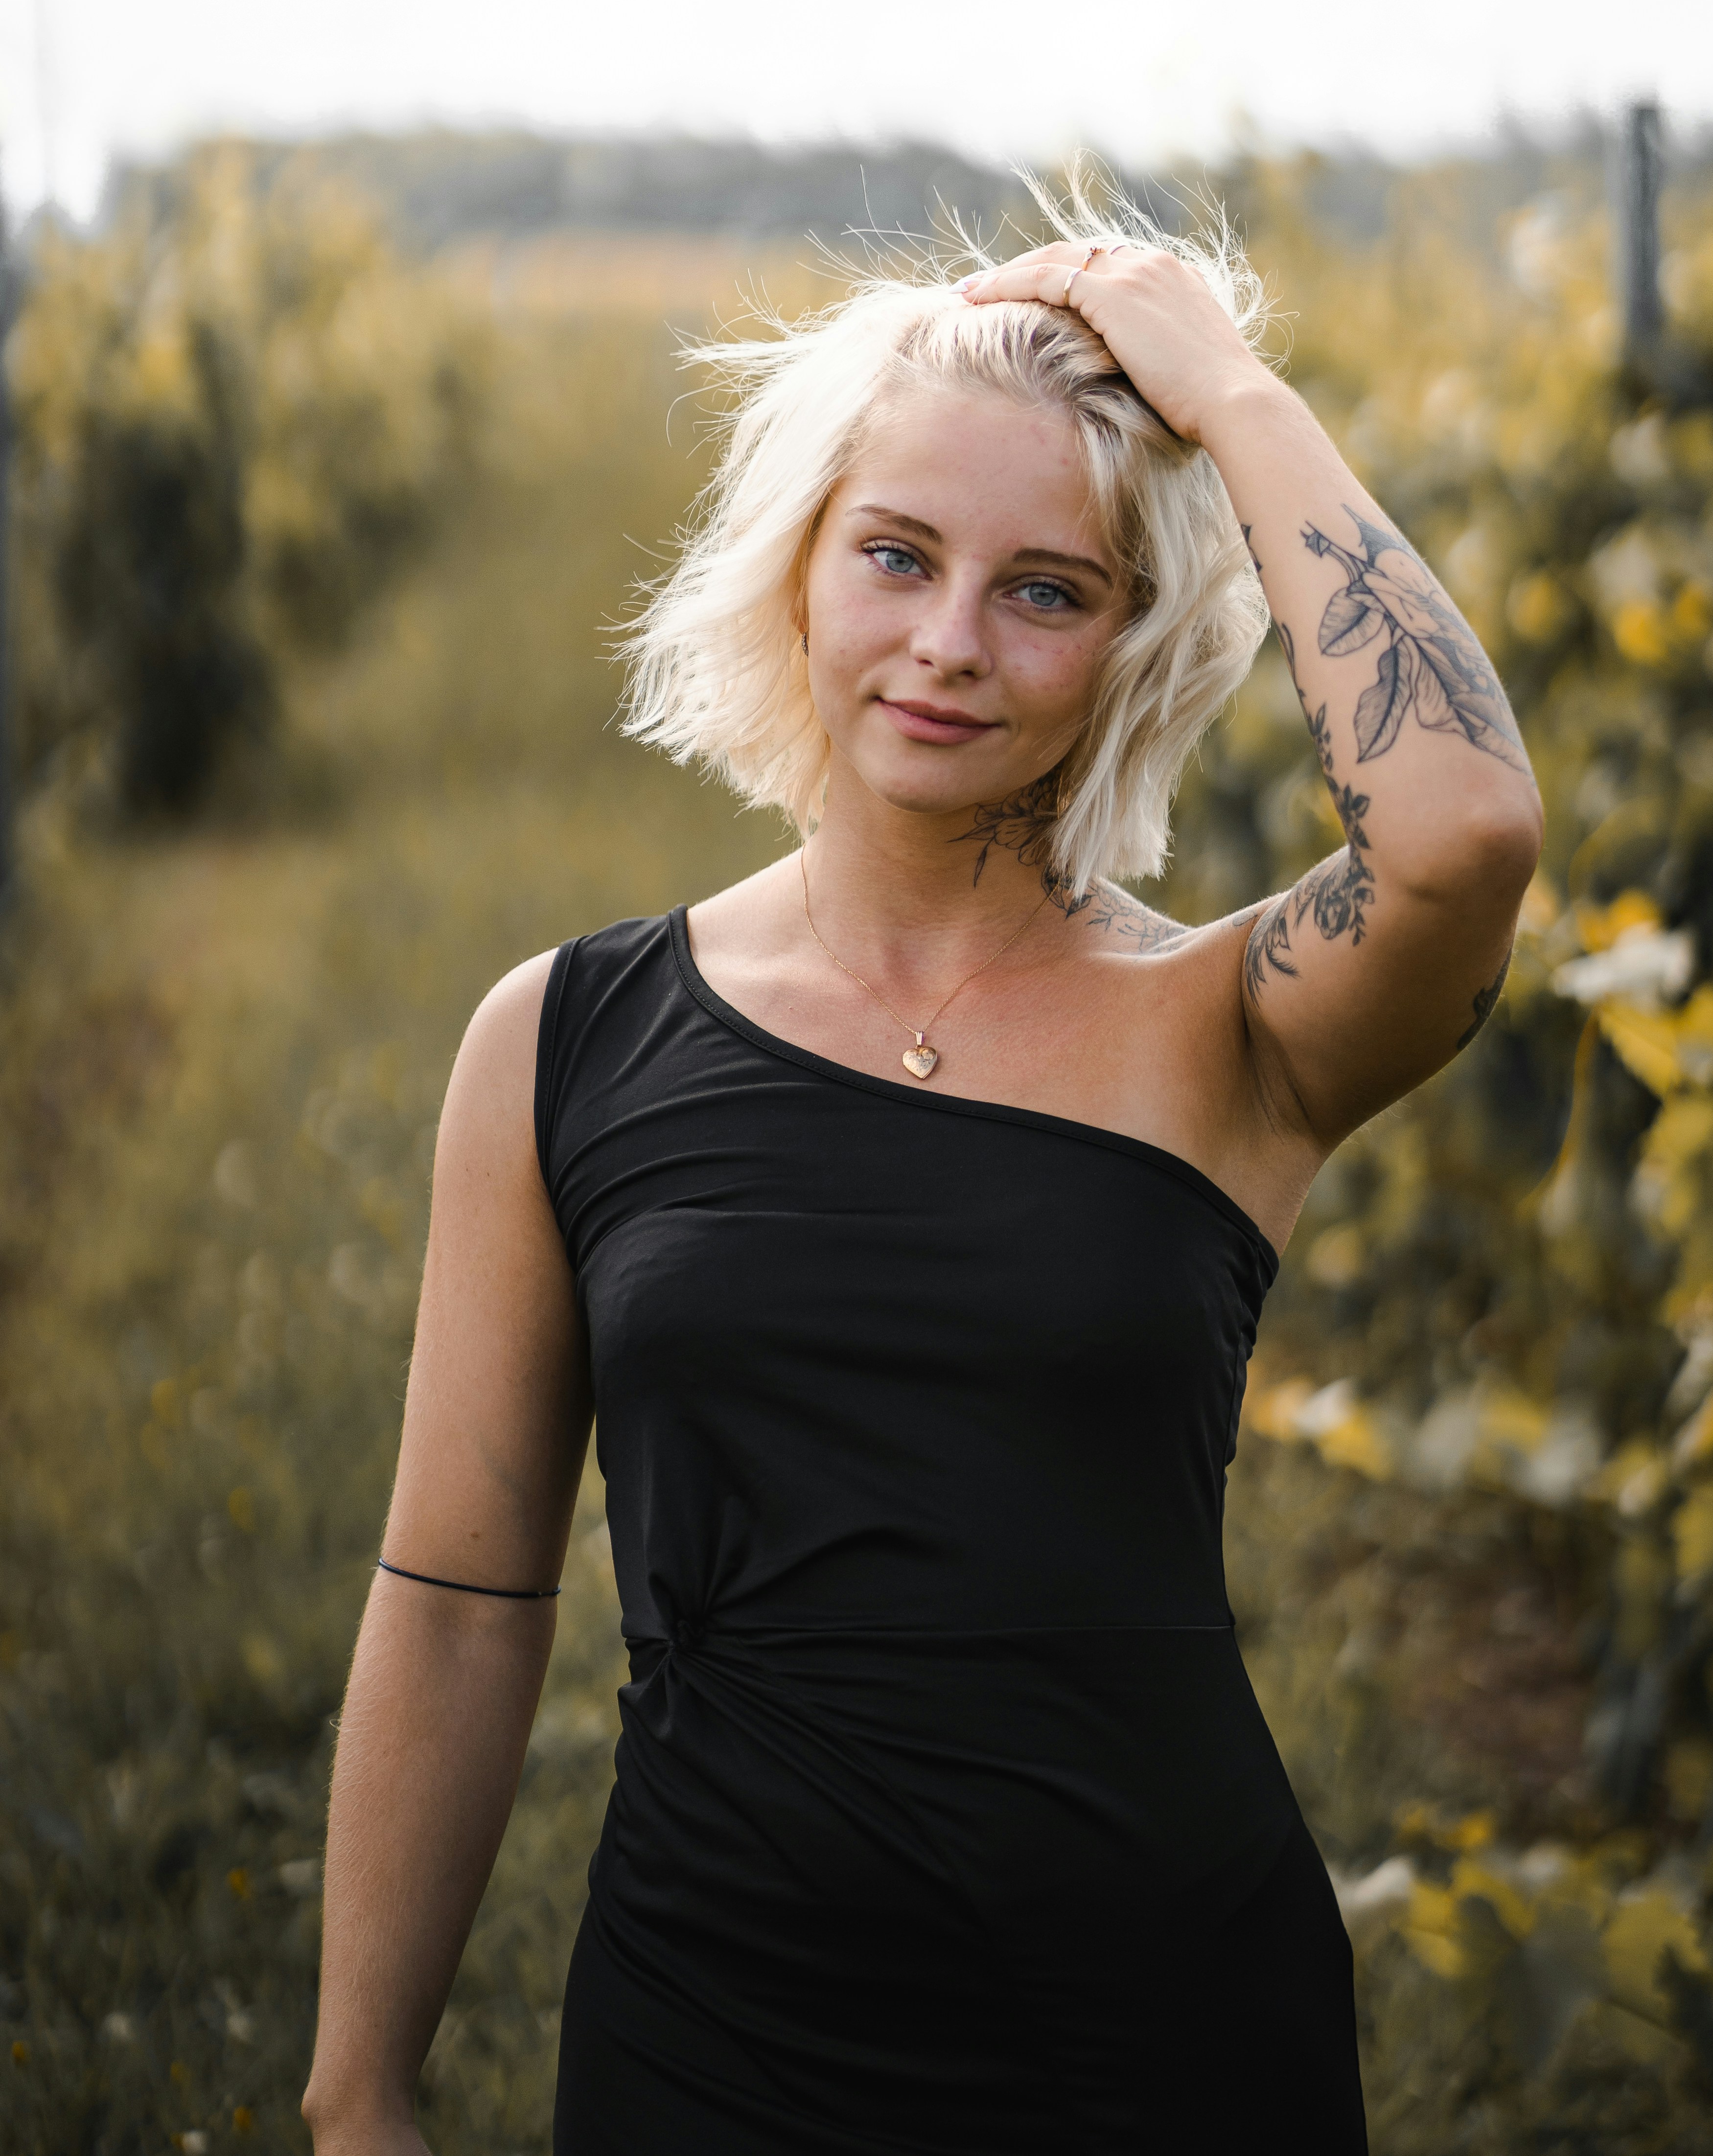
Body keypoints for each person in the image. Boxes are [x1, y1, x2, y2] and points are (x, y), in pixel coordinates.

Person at [302, 190, 1543, 2155]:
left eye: (1046, 587)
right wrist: (360, 2088)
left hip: (1163, 2032)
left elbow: (1462, 828)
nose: (947, 644)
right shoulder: (563, 1036)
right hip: (714, 2030)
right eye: (896, 554)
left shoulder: (1232, 1025)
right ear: (800, 566)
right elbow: (459, 1593)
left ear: (1131, 636)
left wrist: (1222, 385)